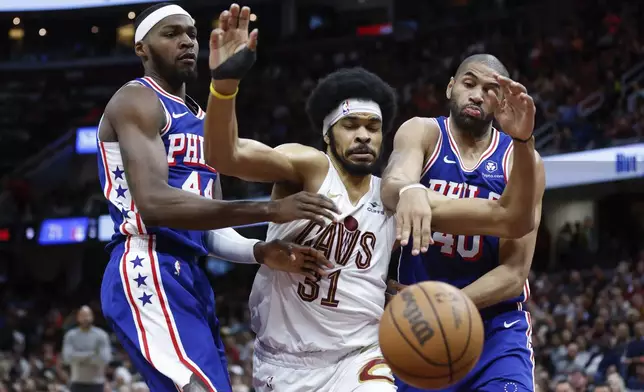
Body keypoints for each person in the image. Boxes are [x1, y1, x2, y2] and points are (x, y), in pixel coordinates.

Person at [203, 6, 540, 392]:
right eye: (351, 126)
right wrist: (224, 85)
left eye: (373, 127)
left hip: (362, 357)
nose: (364, 135)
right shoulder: (307, 166)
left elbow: (511, 219)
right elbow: (224, 155)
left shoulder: (391, 199)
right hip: (284, 361)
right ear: (329, 135)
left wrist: (523, 142)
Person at [96, 3, 337, 391]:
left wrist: (259, 251)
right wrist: (271, 209)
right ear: (142, 48)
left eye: (191, 32)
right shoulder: (136, 100)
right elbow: (155, 204)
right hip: (147, 261)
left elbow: (211, 226)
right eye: (171, 34)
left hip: (189, 272)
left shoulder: (204, 120)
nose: (187, 41)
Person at [381, 54, 546, 392]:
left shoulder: (521, 160)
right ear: (450, 87)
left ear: (501, 102)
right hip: (418, 325)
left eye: (490, 90)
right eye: (469, 84)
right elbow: (392, 185)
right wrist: (409, 189)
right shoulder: (423, 131)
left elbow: (515, 275)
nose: (476, 95)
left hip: (495, 327)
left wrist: (446, 306)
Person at [62, 306, 111, 392]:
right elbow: (67, 358)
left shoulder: (101, 335)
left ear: (92, 317)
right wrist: (91, 355)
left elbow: (105, 359)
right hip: (77, 382)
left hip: (97, 382)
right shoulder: (70, 335)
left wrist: (78, 357)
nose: (85, 318)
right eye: (82, 315)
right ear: (78, 317)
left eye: (87, 315)